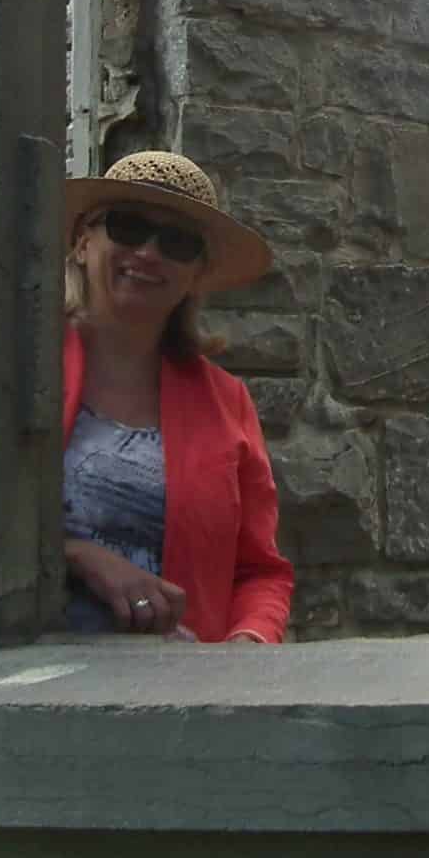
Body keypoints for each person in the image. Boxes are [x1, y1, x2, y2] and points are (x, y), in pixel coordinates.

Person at [60, 151, 293, 643]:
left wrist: (250, 641)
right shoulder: (19, 369)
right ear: (82, 243)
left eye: (178, 242)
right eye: (127, 226)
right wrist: (78, 555)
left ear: (195, 276)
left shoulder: (227, 402)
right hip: (20, 686)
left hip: (176, 695)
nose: (148, 252)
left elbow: (260, 572)